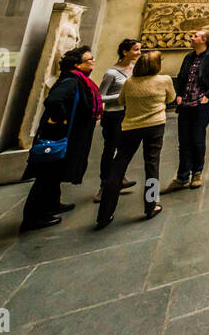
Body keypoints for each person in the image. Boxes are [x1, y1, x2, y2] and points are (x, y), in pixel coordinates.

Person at [21, 45, 102, 231]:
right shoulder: (71, 81)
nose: (93, 62)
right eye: (89, 60)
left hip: (70, 135)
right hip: (60, 136)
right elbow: (53, 101)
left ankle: (52, 205)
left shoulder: (78, 79)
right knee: (47, 177)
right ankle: (33, 218)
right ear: (77, 64)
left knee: (54, 175)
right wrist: (62, 121)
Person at [95, 50, 174, 229]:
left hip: (130, 126)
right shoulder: (164, 80)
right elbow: (171, 98)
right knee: (152, 165)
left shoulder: (130, 82)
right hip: (155, 126)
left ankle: (104, 213)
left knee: (118, 166)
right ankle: (151, 204)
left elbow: (122, 101)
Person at [166, 29, 209, 191]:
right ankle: (182, 176)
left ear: (204, 40)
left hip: (201, 103)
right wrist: (178, 94)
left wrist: (208, 95)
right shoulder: (189, 56)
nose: (192, 38)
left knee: (197, 138)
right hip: (186, 102)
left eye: (195, 36)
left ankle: (197, 172)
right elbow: (182, 77)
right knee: (184, 140)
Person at [93, 38, 140, 205]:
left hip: (128, 114)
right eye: (135, 50)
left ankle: (119, 178)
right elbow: (100, 96)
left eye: (139, 49)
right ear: (125, 51)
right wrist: (120, 96)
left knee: (123, 149)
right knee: (110, 149)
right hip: (113, 115)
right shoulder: (111, 73)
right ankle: (104, 185)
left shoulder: (134, 69)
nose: (138, 53)